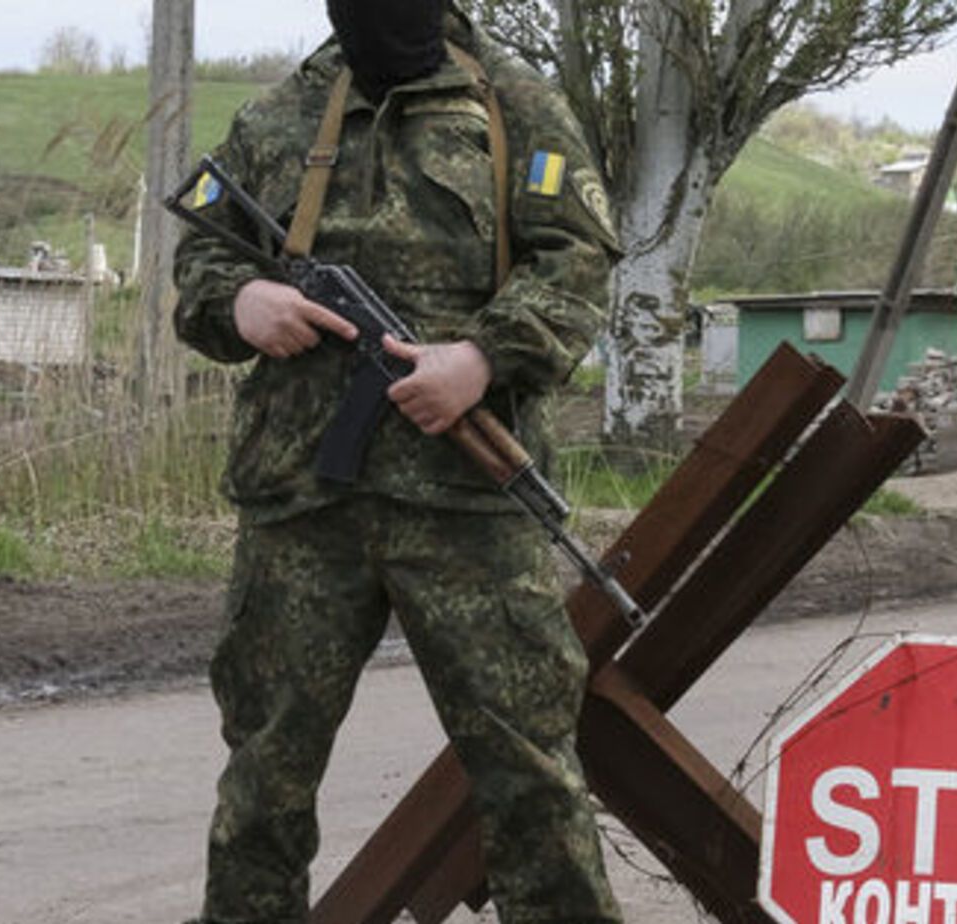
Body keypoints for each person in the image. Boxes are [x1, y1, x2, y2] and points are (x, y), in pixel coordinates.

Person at [170, 0, 624, 921]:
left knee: (530, 772)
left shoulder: (517, 107)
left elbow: (576, 260)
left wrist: (482, 359)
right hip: (302, 500)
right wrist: (245, 301)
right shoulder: (278, 118)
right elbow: (201, 267)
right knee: (264, 777)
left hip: (467, 501)